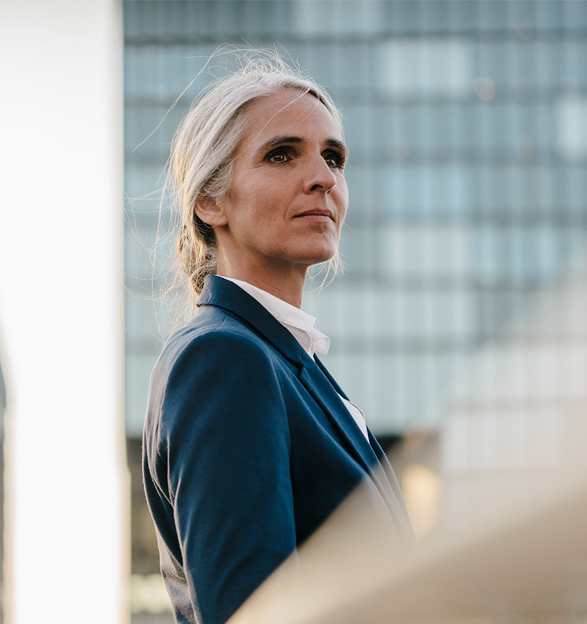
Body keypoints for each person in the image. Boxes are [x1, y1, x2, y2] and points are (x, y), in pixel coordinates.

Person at [142, 52, 414, 624]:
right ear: (210, 200)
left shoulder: (292, 364)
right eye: (282, 154)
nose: (323, 177)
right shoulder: (223, 358)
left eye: (333, 157)